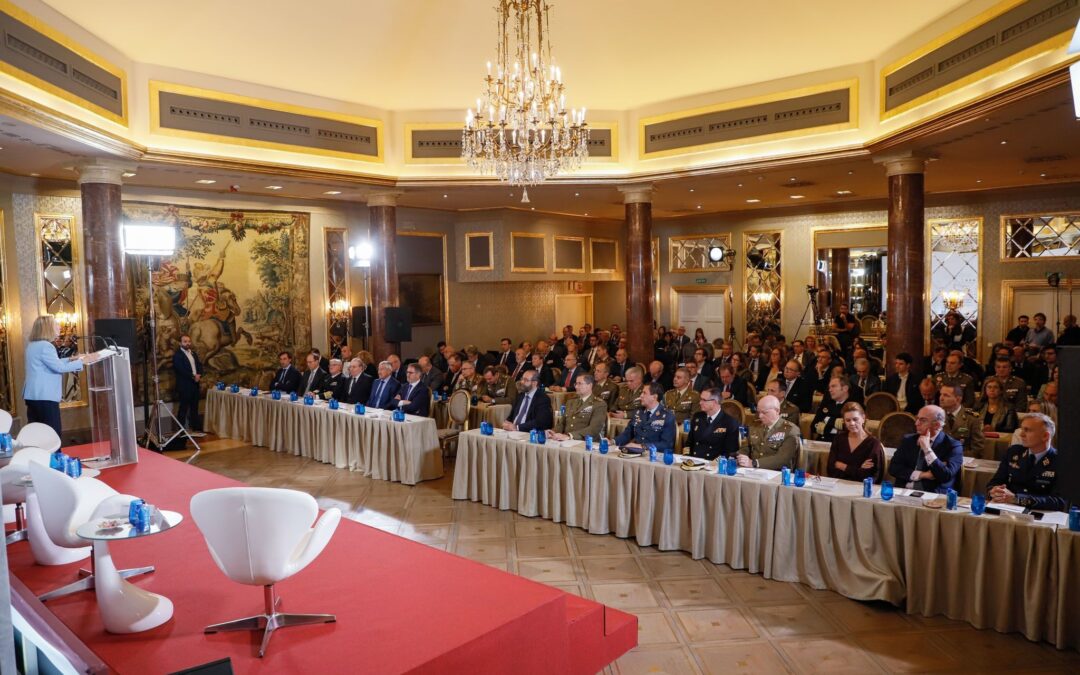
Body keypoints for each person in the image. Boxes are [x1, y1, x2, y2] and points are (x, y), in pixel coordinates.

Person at [987, 413, 1066, 511]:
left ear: (1045, 436)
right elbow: (995, 482)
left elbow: (1059, 501)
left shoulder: (1060, 462)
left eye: (1027, 430)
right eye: (1022, 429)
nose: (1021, 434)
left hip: (1039, 515)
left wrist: (1017, 499)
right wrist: (995, 491)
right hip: (1006, 509)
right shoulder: (1013, 452)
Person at [23, 315, 86, 436]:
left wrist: (71, 359)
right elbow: (59, 368)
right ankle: (55, 455)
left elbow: (50, 364)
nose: (59, 327)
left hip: (33, 395)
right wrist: (82, 361)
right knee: (53, 434)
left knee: (38, 434)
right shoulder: (46, 346)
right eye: (56, 324)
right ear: (48, 328)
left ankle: (39, 455)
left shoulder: (33, 345)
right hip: (45, 396)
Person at [887, 405, 964, 493]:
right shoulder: (908, 440)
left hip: (932, 496)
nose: (916, 423)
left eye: (923, 420)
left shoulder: (953, 446)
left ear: (937, 425)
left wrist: (927, 450)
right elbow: (893, 468)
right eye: (917, 418)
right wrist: (922, 475)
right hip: (903, 491)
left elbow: (945, 476)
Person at [825, 402, 884, 483]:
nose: (852, 423)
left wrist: (843, 466)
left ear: (863, 418)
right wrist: (858, 469)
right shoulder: (839, 438)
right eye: (848, 420)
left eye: (855, 419)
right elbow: (830, 469)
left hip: (861, 488)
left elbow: (868, 475)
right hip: (838, 484)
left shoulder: (873, 443)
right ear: (844, 422)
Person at [738, 395, 800, 470]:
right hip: (751, 470)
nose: (760, 416)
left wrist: (755, 463)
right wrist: (742, 458)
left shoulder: (790, 430)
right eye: (759, 412)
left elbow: (783, 459)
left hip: (776, 474)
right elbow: (745, 447)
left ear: (777, 411)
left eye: (764, 412)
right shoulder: (755, 425)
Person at [614, 382, 675, 453]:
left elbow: (666, 444)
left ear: (654, 397)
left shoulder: (667, 416)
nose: (641, 396)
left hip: (655, 456)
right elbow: (627, 434)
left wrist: (643, 446)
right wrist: (613, 441)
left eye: (644, 393)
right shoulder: (638, 412)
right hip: (636, 453)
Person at [685, 387, 740, 460]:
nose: (700, 402)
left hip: (714, 464)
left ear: (714, 402)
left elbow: (730, 451)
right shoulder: (698, 417)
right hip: (694, 460)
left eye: (704, 400)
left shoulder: (729, 422)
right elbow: (689, 442)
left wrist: (715, 463)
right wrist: (686, 457)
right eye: (700, 399)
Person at [548, 374, 608, 441]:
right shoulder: (571, 402)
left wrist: (570, 436)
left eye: (579, 384)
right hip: (567, 440)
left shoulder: (599, 404)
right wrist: (553, 432)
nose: (576, 386)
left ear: (590, 385)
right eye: (575, 384)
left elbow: (594, 429)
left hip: (586, 442)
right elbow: (562, 423)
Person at [172, 334, 205, 437]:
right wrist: (192, 376)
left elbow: (199, 365)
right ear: (180, 343)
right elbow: (180, 369)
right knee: (183, 408)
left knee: (195, 407)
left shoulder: (193, 353)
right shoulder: (178, 355)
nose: (187, 343)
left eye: (189, 341)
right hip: (185, 385)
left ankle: (196, 428)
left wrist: (199, 374)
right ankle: (181, 430)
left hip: (195, 384)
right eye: (185, 341)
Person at [939, 383, 984, 458]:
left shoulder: (972, 419)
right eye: (941, 394)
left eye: (946, 395)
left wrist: (953, 457)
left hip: (963, 461)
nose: (941, 398)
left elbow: (978, 450)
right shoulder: (936, 416)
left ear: (958, 399)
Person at [810, 375, 858, 441]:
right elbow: (813, 427)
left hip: (842, 443)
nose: (830, 390)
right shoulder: (827, 404)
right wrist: (836, 427)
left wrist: (826, 420)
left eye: (833, 386)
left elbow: (849, 429)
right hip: (821, 441)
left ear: (845, 388)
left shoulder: (852, 406)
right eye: (829, 387)